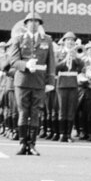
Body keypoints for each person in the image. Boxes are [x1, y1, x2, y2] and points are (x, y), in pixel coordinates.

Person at [9, 12, 56, 154]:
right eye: (31, 21)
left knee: (36, 112)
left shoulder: (47, 40)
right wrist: (25, 64)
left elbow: (51, 62)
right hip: (23, 80)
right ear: (26, 24)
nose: (34, 24)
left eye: (37, 22)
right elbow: (13, 61)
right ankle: (23, 143)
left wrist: (50, 81)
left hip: (39, 81)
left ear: (40, 25)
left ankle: (33, 143)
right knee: (23, 112)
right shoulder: (18, 39)